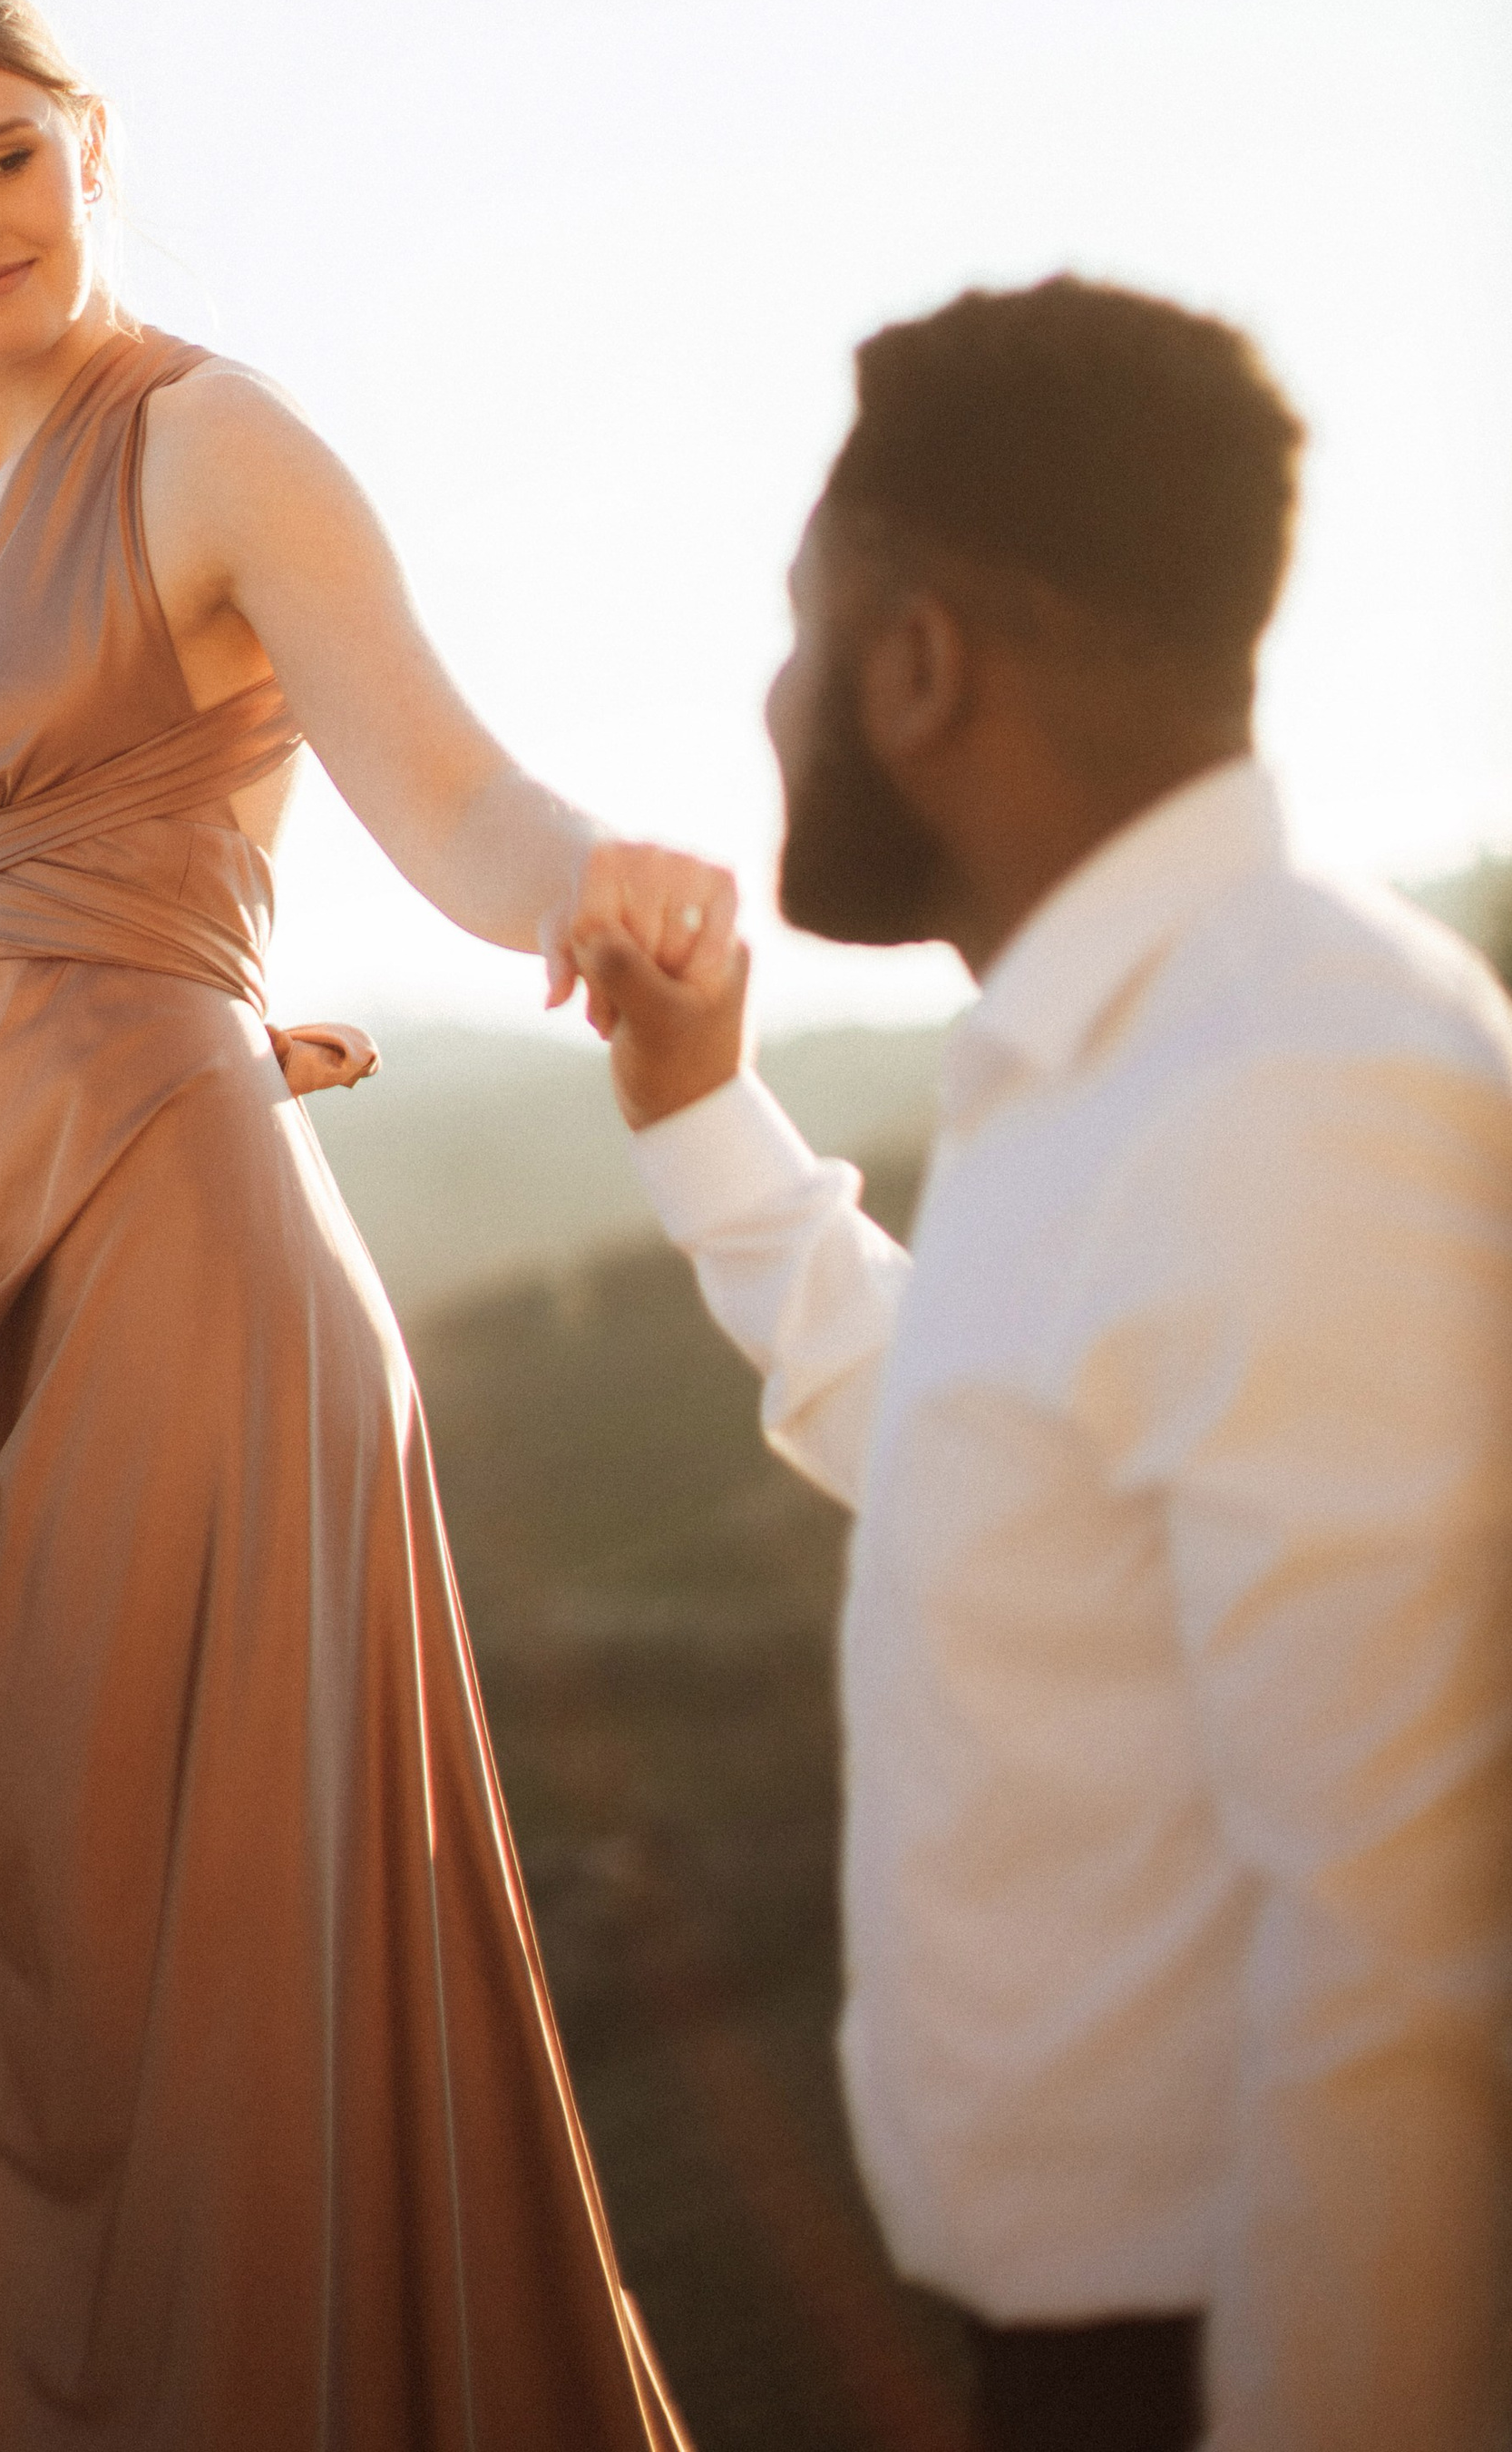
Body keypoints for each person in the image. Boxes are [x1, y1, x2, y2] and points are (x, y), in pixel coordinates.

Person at [0, 0, 720, 2452]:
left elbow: (445, 786)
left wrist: (594, 875)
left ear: (91, 141)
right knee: (39, 2024)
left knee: (214, 2030)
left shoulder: (214, 441)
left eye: (1, 160)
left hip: (177, 1270)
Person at [571, 277, 1512, 2452]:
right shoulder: (1115, 1058)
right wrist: (699, 1126)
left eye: (806, 627)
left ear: (919, 666)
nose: (772, 686)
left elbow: (1401, 1964)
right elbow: (961, 1458)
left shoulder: (1292, 1086)